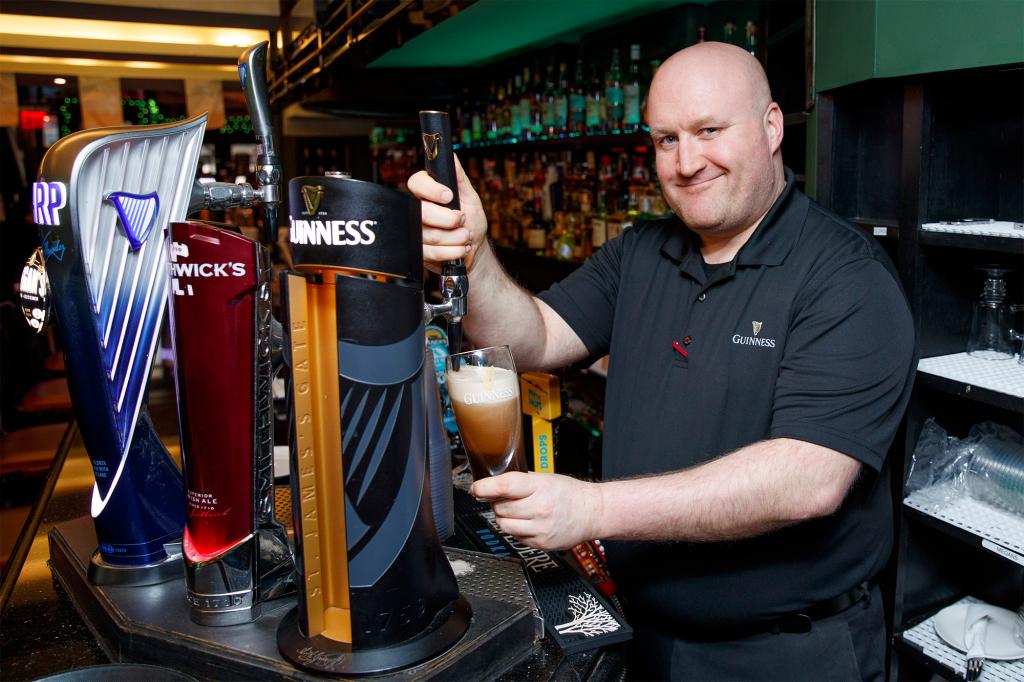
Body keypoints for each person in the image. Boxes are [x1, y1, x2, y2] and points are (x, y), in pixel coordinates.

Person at [409, 41, 915, 681]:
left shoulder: (844, 277)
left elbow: (807, 479)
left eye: (709, 131)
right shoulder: (641, 252)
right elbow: (535, 337)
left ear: (772, 126)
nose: (686, 161)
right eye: (666, 139)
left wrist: (592, 510)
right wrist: (474, 257)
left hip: (783, 654)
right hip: (641, 637)